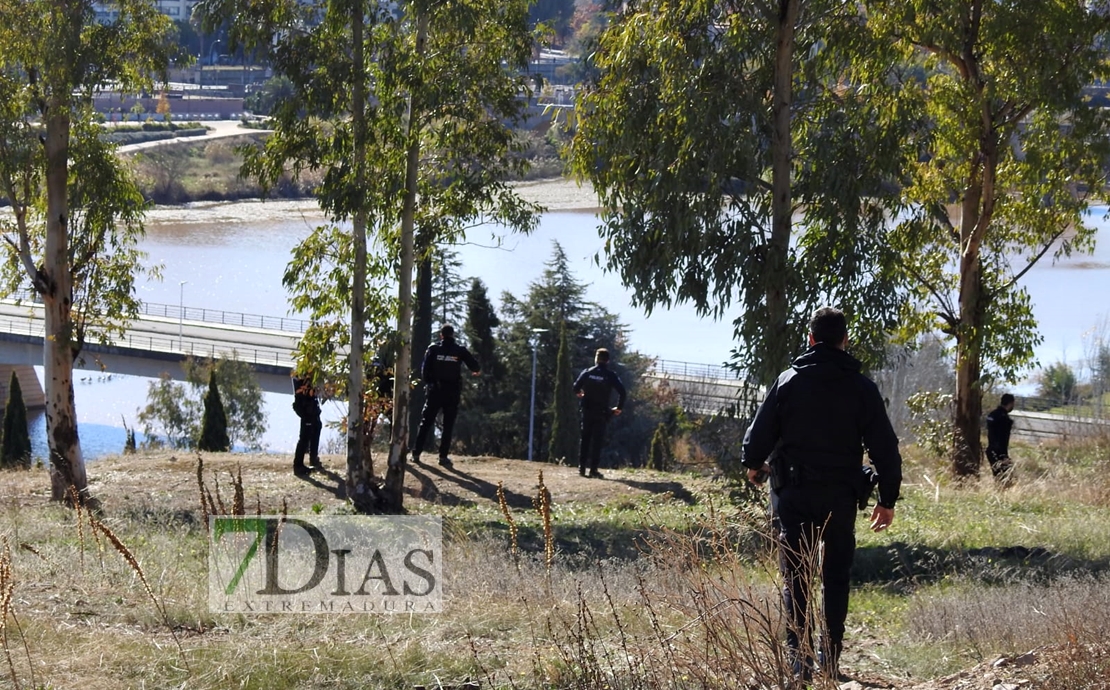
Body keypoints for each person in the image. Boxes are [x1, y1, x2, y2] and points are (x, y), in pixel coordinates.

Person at [742, 307, 902, 681]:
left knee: (796, 576)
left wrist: (752, 463)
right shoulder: (862, 388)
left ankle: (799, 664)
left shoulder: (789, 380)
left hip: (795, 494)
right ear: (844, 341)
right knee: (836, 577)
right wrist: (887, 499)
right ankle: (830, 661)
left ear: (811, 339)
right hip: (841, 497)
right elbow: (885, 447)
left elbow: (759, 432)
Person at [412, 324, 480, 468]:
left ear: (441, 335)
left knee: (426, 423)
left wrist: (431, 383)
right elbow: (475, 367)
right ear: (452, 335)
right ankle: (443, 457)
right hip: (452, 392)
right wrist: (474, 371)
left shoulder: (433, 349)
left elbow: (424, 371)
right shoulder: (460, 351)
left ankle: (416, 454)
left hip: (435, 391)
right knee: (448, 425)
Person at [573, 348, 627, 478]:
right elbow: (622, 392)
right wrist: (618, 407)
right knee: (597, 441)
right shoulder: (610, 375)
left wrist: (580, 393)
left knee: (585, 439)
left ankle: (581, 468)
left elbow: (575, 387)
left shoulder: (587, 372)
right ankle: (593, 470)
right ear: (607, 360)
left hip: (587, 410)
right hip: (601, 412)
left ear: (596, 359)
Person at [291, 369, 323, 476]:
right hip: (306, 408)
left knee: (317, 427)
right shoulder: (301, 373)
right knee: (305, 436)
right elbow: (301, 393)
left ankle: (313, 458)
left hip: (311, 407)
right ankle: (298, 465)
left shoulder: (310, 372)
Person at [985, 393, 1016, 479]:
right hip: (999, 453)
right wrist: (1004, 456)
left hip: (990, 450)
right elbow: (1003, 439)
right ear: (1010, 404)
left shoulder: (992, 415)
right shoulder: (1005, 419)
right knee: (1007, 478)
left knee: (998, 476)